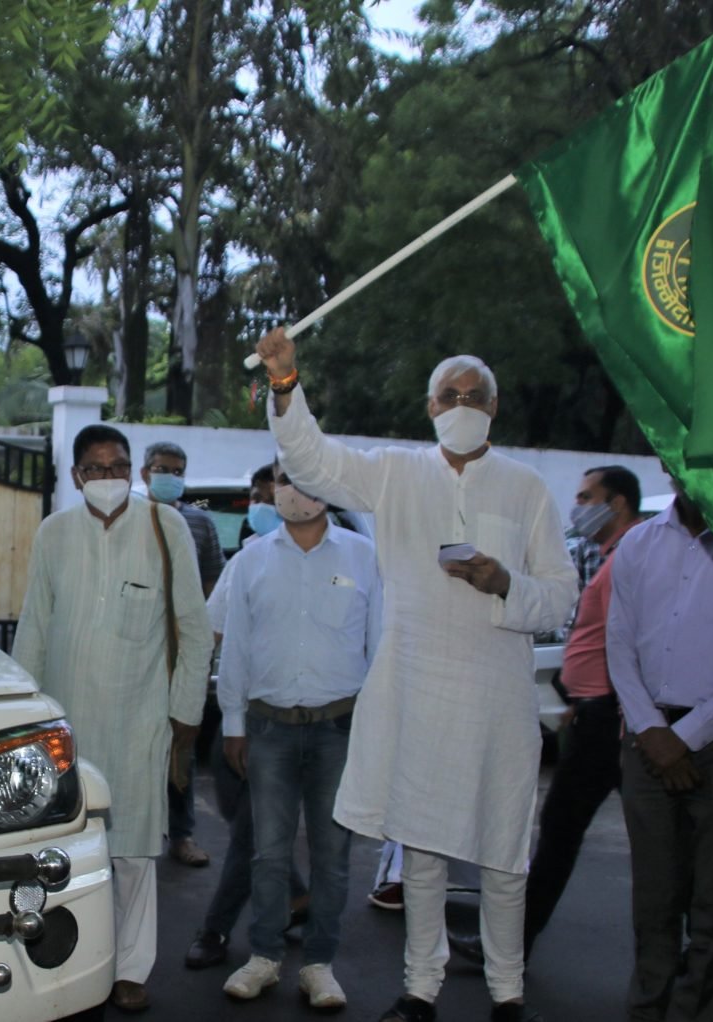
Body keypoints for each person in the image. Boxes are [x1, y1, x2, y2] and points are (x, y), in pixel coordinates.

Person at [255, 327, 577, 1022]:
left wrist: (503, 583)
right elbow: (313, 462)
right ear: (430, 407)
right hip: (418, 691)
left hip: (496, 699)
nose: (462, 405)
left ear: (494, 407)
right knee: (423, 850)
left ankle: (508, 993)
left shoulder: (526, 488)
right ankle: (420, 989)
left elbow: (560, 596)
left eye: (474, 395)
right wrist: (285, 382)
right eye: (449, 395)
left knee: (503, 855)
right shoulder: (397, 472)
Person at [12, 424, 212, 1014]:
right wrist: (24, 717)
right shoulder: (54, 533)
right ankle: (64, 962)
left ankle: (130, 969)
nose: (109, 477)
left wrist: (185, 714)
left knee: (133, 853)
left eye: (118, 466)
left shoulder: (165, 526)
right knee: (60, 848)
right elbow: (35, 625)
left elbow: (194, 628)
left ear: (134, 471)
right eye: (96, 468)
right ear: (77, 476)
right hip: (65, 721)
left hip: (139, 718)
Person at [216, 464, 380, 1009]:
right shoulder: (251, 560)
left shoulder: (364, 556)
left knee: (332, 856)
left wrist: (378, 728)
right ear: (272, 488)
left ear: (328, 486)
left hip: (340, 728)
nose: (293, 490)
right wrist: (233, 724)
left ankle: (319, 965)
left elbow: (379, 645)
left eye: (305, 478)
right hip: (268, 729)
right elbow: (236, 647)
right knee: (268, 853)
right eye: (284, 479)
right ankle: (264, 957)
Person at [607, 475, 713, 1022]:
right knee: (654, 898)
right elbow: (619, 642)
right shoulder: (639, 542)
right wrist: (651, 729)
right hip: (648, 739)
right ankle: (646, 1009)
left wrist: (686, 736)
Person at [186, 463, 311, 971]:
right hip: (236, 714)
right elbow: (210, 633)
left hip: (292, 723)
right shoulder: (247, 561)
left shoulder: (331, 560)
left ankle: (215, 929)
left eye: (269, 494)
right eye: (258, 496)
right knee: (244, 816)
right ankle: (298, 895)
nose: (263, 505)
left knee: (250, 831)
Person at [517, 466, 643, 957]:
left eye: (586, 497)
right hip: (597, 711)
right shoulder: (610, 553)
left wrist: (603, 700)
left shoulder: (631, 555)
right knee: (572, 828)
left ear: (617, 503)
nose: (577, 507)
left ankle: (512, 944)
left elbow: (631, 639)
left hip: (611, 716)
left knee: (562, 827)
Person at [142, 440, 225, 869]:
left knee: (182, 741)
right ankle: (134, 833)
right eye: (162, 469)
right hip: (138, 648)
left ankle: (181, 833)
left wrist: (196, 638)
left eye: (177, 471)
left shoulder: (201, 523)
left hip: (181, 652)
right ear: (145, 473)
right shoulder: (132, 517)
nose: (169, 477)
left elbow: (212, 584)